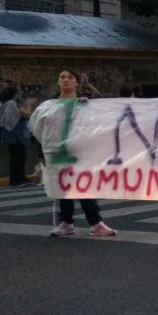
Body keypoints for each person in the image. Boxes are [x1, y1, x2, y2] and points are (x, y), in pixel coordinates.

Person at [48, 69, 117, 237]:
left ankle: (95, 223)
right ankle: (66, 222)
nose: (65, 80)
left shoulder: (84, 103)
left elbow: (102, 115)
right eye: (62, 77)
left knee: (85, 185)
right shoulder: (50, 104)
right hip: (60, 151)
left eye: (70, 77)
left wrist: (87, 106)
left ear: (77, 83)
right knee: (63, 187)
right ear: (58, 82)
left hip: (82, 151)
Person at [0, 85, 32, 187]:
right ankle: (17, 180)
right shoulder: (11, 103)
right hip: (15, 135)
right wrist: (28, 104)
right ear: (13, 94)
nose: (18, 95)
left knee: (18, 157)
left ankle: (20, 178)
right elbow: (26, 114)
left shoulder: (2, 104)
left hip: (9, 134)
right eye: (17, 93)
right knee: (18, 157)